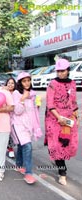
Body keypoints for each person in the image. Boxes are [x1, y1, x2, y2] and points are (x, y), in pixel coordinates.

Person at [45, 58, 79, 186]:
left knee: (70, 145)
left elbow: (74, 102)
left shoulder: (73, 83)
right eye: (58, 71)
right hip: (55, 118)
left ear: (68, 70)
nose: (60, 73)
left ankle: (58, 161)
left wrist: (77, 117)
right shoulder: (52, 84)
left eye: (62, 71)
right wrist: (58, 117)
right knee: (56, 146)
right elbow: (49, 103)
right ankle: (62, 173)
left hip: (69, 119)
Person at [11, 72, 42, 184]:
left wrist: (37, 104)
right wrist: (23, 99)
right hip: (18, 124)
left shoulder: (33, 94)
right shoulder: (16, 93)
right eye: (24, 81)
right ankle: (28, 173)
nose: (27, 83)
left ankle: (18, 165)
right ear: (20, 83)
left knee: (21, 145)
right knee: (27, 146)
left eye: (28, 80)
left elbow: (34, 111)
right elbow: (17, 111)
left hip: (28, 125)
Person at [4, 77, 17, 158]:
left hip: (16, 117)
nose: (10, 85)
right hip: (6, 116)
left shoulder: (17, 93)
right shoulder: (4, 92)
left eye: (12, 83)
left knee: (15, 134)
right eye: (9, 83)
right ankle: (10, 149)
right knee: (8, 134)